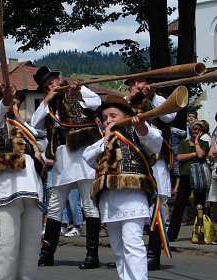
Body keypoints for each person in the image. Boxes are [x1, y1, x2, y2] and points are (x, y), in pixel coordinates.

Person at [83, 95, 163, 280]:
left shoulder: (136, 131)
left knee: (133, 244)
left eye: (113, 115)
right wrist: (106, 139)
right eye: (104, 118)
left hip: (132, 195)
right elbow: (87, 157)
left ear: (126, 115)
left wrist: (140, 126)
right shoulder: (105, 140)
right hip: (109, 199)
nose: (108, 120)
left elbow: (156, 143)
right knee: (118, 248)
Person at [31, 66, 102, 269]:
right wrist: (47, 99)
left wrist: (79, 92)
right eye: (48, 85)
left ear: (59, 79)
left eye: (54, 81)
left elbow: (96, 103)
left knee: (88, 204)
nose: (53, 85)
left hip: (85, 155)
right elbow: (34, 125)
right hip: (63, 157)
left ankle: (92, 255)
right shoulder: (48, 105)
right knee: (55, 206)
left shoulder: (76, 89)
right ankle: (47, 253)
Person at [0, 84, 46, 280]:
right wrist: (5, 105)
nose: (14, 106)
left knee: (32, 244)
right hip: (5, 188)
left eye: (16, 103)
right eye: (9, 102)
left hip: (32, 190)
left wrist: (20, 120)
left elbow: (43, 144)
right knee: (8, 243)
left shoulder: (24, 127)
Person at [125, 71, 176, 270]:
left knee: (156, 208)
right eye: (133, 81)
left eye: (141, 81)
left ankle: (153, 255)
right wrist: (129, 99)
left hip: (155, 161)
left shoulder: (158, 99)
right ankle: (133, 253)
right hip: (133, 161)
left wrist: (152, 96)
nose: (137, 84)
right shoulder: (124, 102)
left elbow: (169, 115)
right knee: (132, 209)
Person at [167, 119, 210, 241]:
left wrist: (196, 142)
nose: (196, 131)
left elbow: (201, 155)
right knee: (179, 206)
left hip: (199, 177)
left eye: (199, 130)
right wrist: (193, 154)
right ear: (191, 130)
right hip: (186, 176)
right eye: (195, 129)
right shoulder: (183, 143)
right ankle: (171, 235)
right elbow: (179, 157)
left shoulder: (203, 143)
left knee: (200, 206)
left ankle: (202, 234)